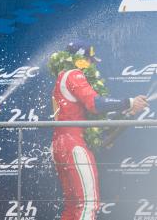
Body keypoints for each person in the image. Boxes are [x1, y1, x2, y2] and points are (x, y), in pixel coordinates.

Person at [51, 42, 148, 220]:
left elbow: (99, 125)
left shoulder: (62, 77)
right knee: (87, 204)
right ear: (80, 59)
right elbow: (95, 105)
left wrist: (129, 111)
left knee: (73, 206)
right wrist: (128, 102)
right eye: (89, 60)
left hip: (62, 144)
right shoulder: (74, 74)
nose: (93, 64)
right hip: (74, 145)